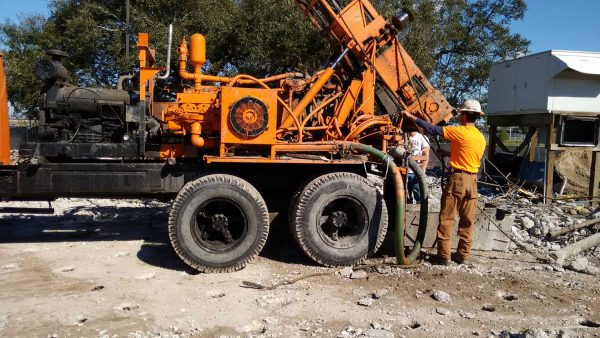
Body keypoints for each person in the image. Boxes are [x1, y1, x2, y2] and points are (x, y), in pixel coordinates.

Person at [403, 99, 486, 265]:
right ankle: (463, 254)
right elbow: (467, 153)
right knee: (467, 220)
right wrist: (447, 153)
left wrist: (411, 117)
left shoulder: (460, 131)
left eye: (461, 113)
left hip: (458, 180)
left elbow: (433, 130)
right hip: (473, 181)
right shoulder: (479, 136)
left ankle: (444, 256)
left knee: (447, 218)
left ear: (464, 115)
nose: (459, 116)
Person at [407, 130, 430, 203]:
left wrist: (423, 170)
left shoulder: (422, 137)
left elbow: (426, 153)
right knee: (406, 194)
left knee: (418, 193)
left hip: (416, 170)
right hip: (404, 170)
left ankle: (419, 209)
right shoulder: (402, 136)